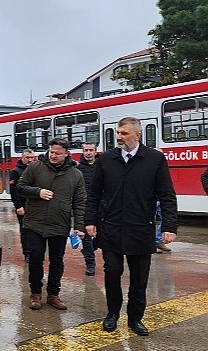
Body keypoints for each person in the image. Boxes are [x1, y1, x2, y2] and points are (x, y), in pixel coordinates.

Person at [85, 117, 177, 336]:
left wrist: (169, 226)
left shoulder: (154, 159)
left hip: (141, 229)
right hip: (111, 228)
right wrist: (89, 221)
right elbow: (94, 195)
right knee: (112, 272)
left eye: (124, 133)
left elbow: (166, 195)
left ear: (138, 135)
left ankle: (135, 318)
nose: (119, 137)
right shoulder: (106, 160)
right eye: (118, 132)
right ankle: (112, 314)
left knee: (139, 278)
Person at [17, 138, 86, 310]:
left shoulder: (75, 174)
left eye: (58, 153)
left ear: (66, 154)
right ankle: (35, 294)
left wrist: (79, 226)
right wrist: (37, 192)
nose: (53, 156)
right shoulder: (35, 167)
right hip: (35, 222)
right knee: (35, 259)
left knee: (57, 260)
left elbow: (80, 201)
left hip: (59, 223)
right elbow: (20, 187)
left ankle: (53, 295)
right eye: (51, 152)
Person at [9, 149, 36, 263]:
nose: (30, 160)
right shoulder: (16, 172)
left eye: (32, 157)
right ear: (22, 158)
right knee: (25, 230)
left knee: (36, 230)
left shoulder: (36, 169)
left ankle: (35, 251)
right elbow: (13, 190)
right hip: (23, 206)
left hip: (35, 206)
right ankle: (27, 253)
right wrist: (18, 206)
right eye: (27, 158)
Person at [75, 142, 98, 276]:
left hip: (101, 206)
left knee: (103, 236)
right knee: (87, 237)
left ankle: (90, 249)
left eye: (91, 150)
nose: (88, 153)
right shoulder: (78, 169)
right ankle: (90, 264)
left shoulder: (102, 166)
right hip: (84, 207)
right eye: (86, 150)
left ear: (95, 152)